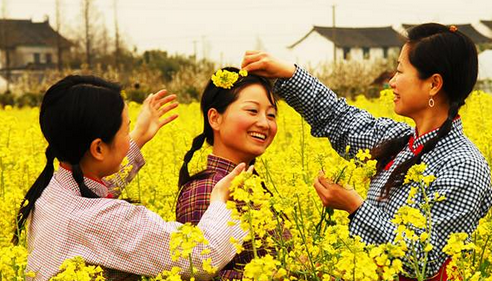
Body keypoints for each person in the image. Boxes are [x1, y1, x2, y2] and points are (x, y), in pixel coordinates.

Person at [241, 23, 492, 279]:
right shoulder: (401, 140)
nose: (392, 82)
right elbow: (340, 119)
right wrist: (288, 74)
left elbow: (424, 259)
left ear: (433, 84)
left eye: (400, 71)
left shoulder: (463, 166)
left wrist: (355, 206)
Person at [14, 75, 248, 281]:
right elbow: (200, 257)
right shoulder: (107, 220)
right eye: (126, 129)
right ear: (98, 149)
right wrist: (220, 201)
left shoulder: (50, 192)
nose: (129, 135)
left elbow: (95, 192)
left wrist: (139, 136)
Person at [176, 67, 278, 280]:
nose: (264, 123)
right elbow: (197, 272)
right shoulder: (207, 190)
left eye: (271, 115)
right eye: (252, 111)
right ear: (215, 119)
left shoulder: (252, 185)